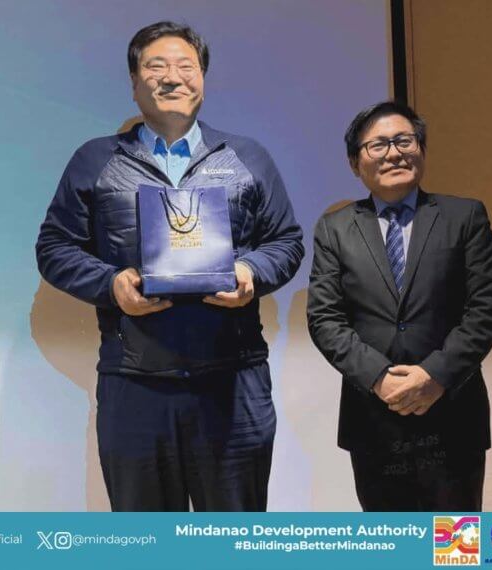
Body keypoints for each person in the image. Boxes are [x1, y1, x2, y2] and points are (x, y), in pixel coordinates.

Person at [36, 21, 304, 511]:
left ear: (203, 78)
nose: (171, 77)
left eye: (186, 66)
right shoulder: (96, 159)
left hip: (233, 380)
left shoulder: (247, 157)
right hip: (134, 381)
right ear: (134, 84)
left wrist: (251, 273)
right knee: (147, 545)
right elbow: (55, 247)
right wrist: (110, 283)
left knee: (234, 542)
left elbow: (285, 241)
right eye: (155, 67)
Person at [306, 100, 492, 511]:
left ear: (421, 149)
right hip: (373, 418)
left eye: (404, 140)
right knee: (390, 548)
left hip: (452, 412)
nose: (394, 152)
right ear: (354, 162)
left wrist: (434, 375)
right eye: (377, 145)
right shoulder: (336, 229)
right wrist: (380, 378)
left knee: (455, 551)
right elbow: (325, 318)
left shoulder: (464, 216)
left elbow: (487, 305)